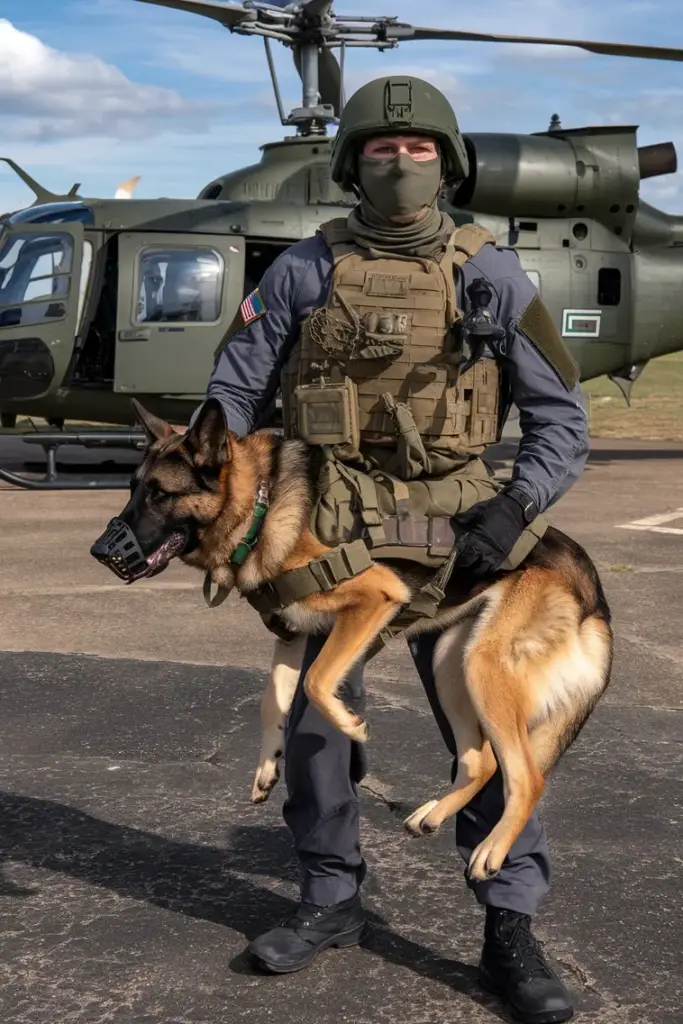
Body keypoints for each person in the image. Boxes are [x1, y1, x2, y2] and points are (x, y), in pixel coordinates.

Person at [198, 77, 588, 1024]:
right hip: (326, 522)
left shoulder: (489, 273)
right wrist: (228, 507)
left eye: (419, 150)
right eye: (381, 149)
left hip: (455, 530)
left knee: (488, 730)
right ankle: (330, 899)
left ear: (446, 164)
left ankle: (508, 926)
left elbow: (559, 419)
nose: (401, 163)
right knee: (315, 727)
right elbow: (231, 395)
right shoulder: (301, 267)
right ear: (350, 164)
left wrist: (511, 509)